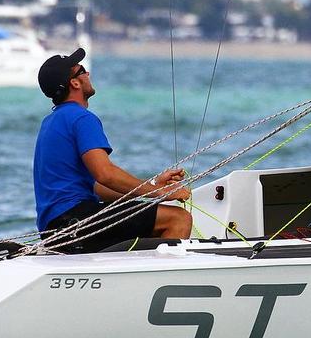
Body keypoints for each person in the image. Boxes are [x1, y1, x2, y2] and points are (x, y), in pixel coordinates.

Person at [33, 49, 193, 253]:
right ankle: (150, 281)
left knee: (149, 219)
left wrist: (152, 185)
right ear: (75, 83)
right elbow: (105, 174)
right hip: (76, 220)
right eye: (82, 70)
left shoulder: (50, 122)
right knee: (177, 218)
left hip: (54, 228)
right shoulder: (82, 118)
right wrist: (158, 192)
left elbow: (96, 187)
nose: (87, 74)